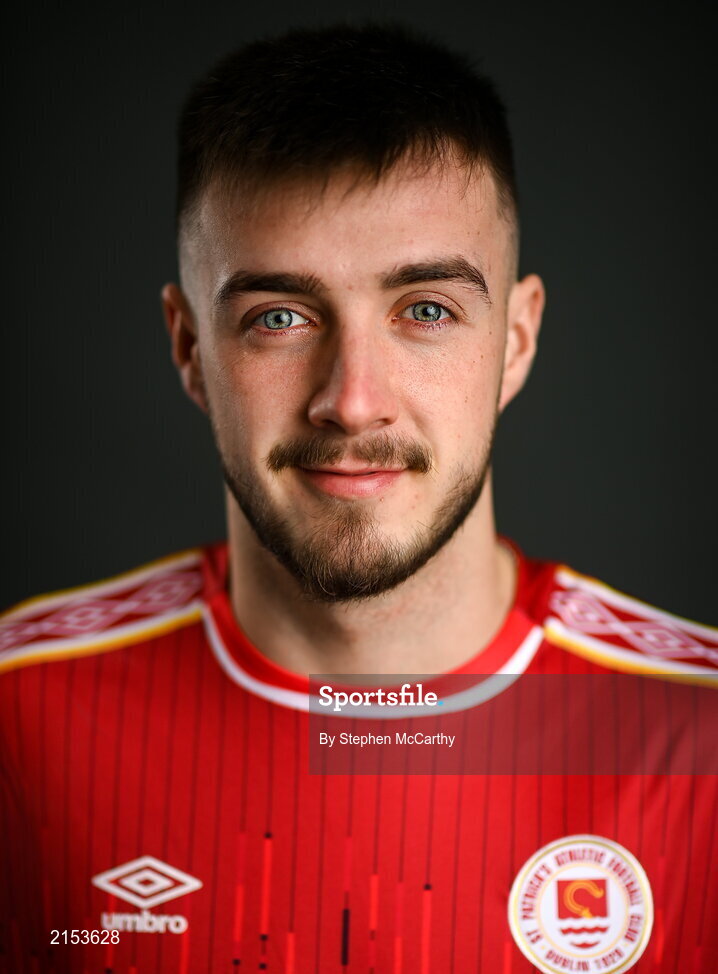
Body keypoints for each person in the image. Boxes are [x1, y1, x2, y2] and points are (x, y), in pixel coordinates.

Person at [1, 23, 716, 974]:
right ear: (188, 350)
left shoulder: (698, 734)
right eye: (279, 318)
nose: (351, 400)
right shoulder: (18, 719)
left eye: (426, 309)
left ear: (515, 340)